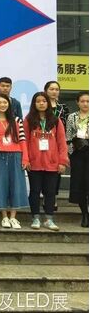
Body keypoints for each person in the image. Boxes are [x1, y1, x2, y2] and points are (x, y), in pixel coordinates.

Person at [24, 92, 69, 231]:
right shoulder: (29, 120)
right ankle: (35, 218)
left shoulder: (55, 120)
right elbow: (24, 141)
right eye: (38, 101)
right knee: (35, 191)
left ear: (48, 103)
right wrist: (26, 159)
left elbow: (62, 142)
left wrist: (62, 161)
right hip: (34, 163)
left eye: (44, 101)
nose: (41, 103)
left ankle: (49, 219)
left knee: (50, 192)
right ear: (34, 104)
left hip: (52, 163)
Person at [0, 94, 29, 229]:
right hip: (0, 156)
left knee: (16, 185)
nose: (2, 105)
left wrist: (25, 158)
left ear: (9, 104)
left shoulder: (16, 120)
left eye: (5, 102)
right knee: (0, 185)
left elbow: (22, 140)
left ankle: (13, 217)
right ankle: (4, 217)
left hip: (16, 156)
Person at [44, 80, 71, 211]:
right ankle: (45, 196)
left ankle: (53, 197)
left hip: (57, 143)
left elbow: (66, 126)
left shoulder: (63, 108)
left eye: (56, 89)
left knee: (56, 172)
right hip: (42, 142)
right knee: (43, 171)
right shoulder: (42, 105)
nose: (54, 92)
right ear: (45, 91)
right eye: (51, 89)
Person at [66, 91, 89, 227]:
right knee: (80, 185)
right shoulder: (72, 117)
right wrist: (70, 154)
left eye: (88, 101)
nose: (85, 104)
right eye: (82, 101)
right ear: (77, 102)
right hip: (78, 153)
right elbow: (68, 137)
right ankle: (84, 213)